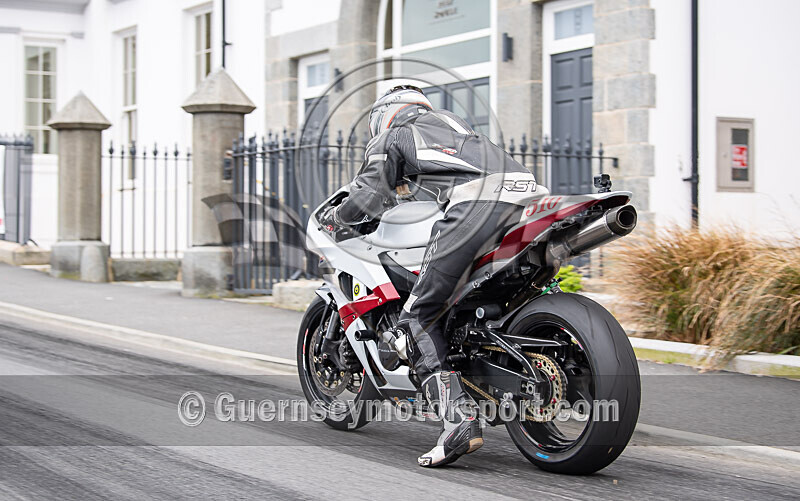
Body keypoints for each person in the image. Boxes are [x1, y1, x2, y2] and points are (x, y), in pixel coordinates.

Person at [319, 85, 536, 467]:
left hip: (477, 204)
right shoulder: (456, 128)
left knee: (418, 317)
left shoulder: (396, 133)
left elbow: (370, 192)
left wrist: (339, 218)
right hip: (528, 199)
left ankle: (458, 420)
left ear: (385, 114)